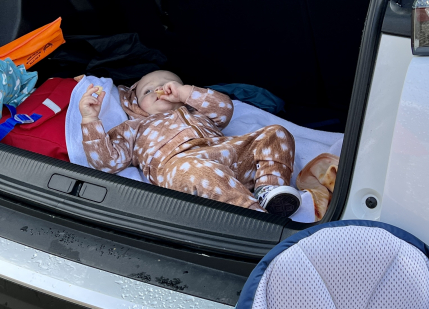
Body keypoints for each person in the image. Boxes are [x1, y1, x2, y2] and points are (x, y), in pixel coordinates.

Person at [79, 70, 302, 215]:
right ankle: (251, 213)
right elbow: (107, 162)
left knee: (276, 133)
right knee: (199, 171)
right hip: (178, 166)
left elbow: (225, 111)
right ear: (136, 105)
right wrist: (90, 120)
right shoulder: (135, 127)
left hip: (225, 155)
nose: (159, 90)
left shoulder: (197, 111)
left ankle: (268, 189)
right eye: (148, 90)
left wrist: (187, 94)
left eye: (169, 85)